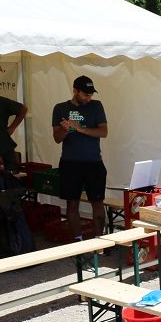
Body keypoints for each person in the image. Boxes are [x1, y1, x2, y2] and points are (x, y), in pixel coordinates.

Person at [51, 75, 108, 240]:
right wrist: (66, 130)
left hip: (94, 163)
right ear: (75, 91)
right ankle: (78, 241)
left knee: (97, 202)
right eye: (85, 95)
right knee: (72, 203)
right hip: (70, 163)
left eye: (91, 95)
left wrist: (80, 128)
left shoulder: (96, 106)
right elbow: (57, 138)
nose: (89, 98)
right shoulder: (60, 108)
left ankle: (99, 241)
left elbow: (103, 132)